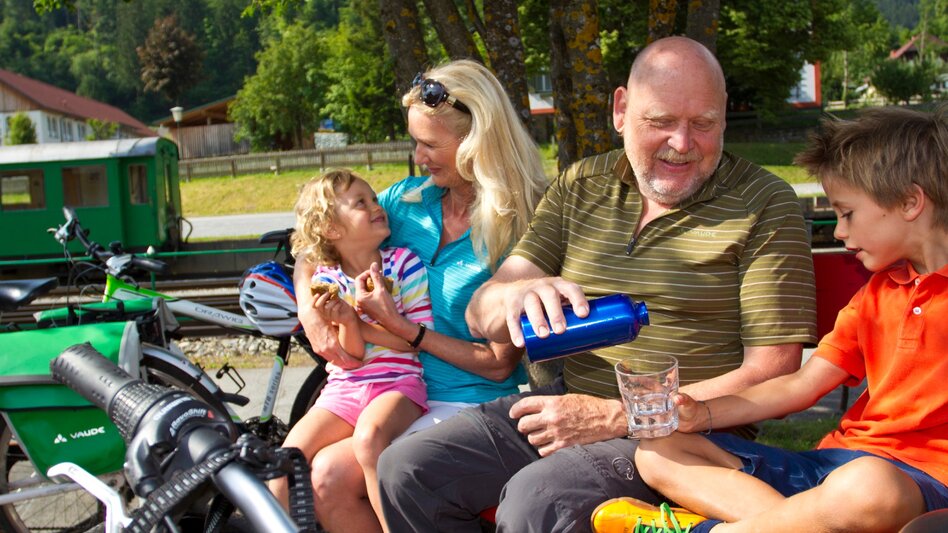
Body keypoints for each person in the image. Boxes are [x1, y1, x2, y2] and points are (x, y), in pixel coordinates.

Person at [377, 36, 817, 532]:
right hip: (563, 410)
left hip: (679, 440)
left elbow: (774, 371)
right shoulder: (581, 184)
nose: (682, 142)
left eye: (703, 124)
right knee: (408, 469)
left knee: (537, 499)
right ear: (621, 110)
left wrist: (619, 415)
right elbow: (482, 313)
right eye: (661, 122)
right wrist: (516, 294)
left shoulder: (764, 203)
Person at [602, 105, 948, 533]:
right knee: (659, 449)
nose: (839, 231)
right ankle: (799, 524)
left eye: (848, 213)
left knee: (870, 489)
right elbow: (803, 384)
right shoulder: (876, 295)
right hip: (833, 469)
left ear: (911, 202)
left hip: (915, 482)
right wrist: (702, 414)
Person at [294, 59, 548, 532]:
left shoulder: (520, 224)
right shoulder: (407, 200)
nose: (418, 155)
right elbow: (315, 243)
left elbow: (498, 363)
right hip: (392, 391)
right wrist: (309, 310)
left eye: (430, 144)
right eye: (416, 141)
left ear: (477, 143)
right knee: (321, 477)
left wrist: (408, 333)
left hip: (467, 401)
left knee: (332, 472)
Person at [270, 169, 433, 525]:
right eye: (361, 203)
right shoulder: (328, 280)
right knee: (281, 466)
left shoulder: (404, 264)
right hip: (345, 389)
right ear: (332, 229)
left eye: (374, 198)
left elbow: (416, 342)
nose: (377, 206)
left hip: (398, 387)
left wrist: (360, 323)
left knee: (369, 439)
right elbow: (351, 356)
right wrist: (346, 323)